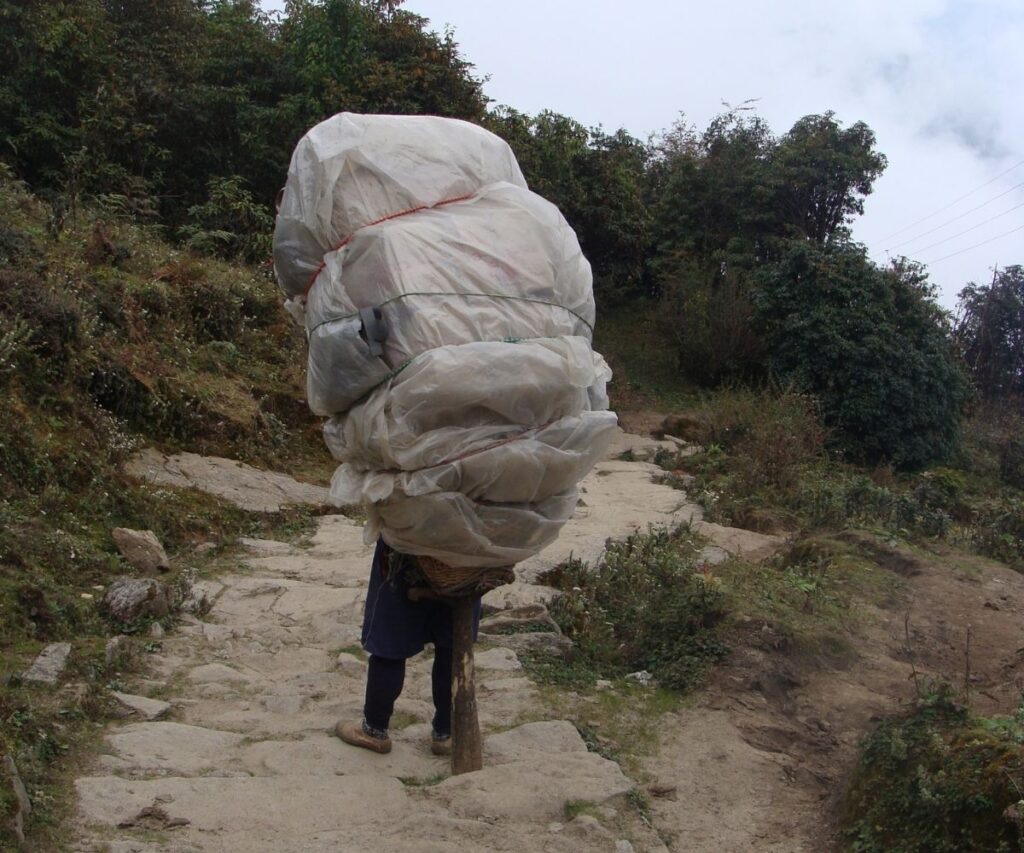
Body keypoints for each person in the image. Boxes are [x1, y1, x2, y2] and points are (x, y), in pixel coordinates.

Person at [336, 539, 479, 755]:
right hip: (468, 554)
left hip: (408, 548)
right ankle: (447, 733)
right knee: (453, 641)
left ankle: (374, 729)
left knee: (390, 637)